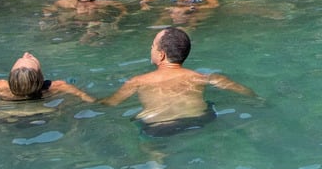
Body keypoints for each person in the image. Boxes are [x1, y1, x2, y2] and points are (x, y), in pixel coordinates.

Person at [104, 27, 254, 135]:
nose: (151, 49)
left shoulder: (137, 81)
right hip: (201, 120)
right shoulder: (202, 77)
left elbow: (109, 104)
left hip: (159, 128)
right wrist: (258, 99)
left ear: (161, 55)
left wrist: (83, 96)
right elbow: (245, 92)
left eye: (153, 46)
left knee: (143, 134)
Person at [0, 51, 95, 108]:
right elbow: (83, 96)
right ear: (41, 77)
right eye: (28, 59)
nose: (26, 53)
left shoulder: (1, 86)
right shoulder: (56, 86)